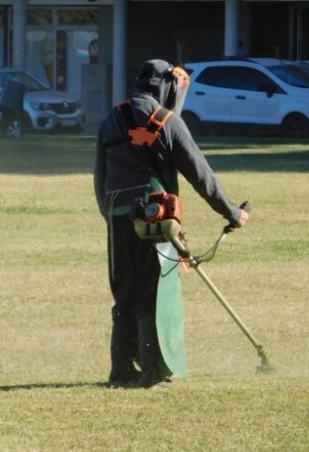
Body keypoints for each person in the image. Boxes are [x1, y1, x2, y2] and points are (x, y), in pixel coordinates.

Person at [94, 59, 249, 389]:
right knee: (151, 293)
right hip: (156, 220)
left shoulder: (112, 118)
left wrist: (110, 215)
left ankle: (121, 371)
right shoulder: (168, 122)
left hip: (118, 219)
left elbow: (100, 177)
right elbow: (200, 174)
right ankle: (152, 371)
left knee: (124, 295)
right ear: (166, 86)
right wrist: (232, 213)